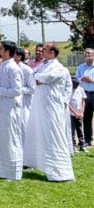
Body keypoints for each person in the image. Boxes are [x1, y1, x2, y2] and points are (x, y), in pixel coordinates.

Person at [23, 43, 74, 181]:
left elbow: (43, 78)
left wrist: (38, 77)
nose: (42, 52)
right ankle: (45, 166)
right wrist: (38, 77)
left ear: (52, 52)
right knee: (41, 133)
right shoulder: (44, 65)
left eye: (45, 50)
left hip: (52, 106)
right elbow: (33, 76)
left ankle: (60, 171)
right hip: (42, 106)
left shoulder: (59, 68)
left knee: (54, 135)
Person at [0, 40, 23, 180]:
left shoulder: (13, 68)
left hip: (10, 107)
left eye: (2, 49)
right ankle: (2, 170)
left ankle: (12, 171)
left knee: (11, 138)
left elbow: (17, 90)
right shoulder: (3, 66)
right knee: (3, 138)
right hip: (2, 107)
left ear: (8, 51)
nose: (0, 51)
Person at [76, 47, 94, 151]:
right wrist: (81, 79)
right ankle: (87, 140)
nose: (86, 55)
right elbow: (75, 79)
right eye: (85, 53)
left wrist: (91, 80)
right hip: (84, 95)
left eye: (89, 53)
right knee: (86, 118)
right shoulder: (80, 67)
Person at [70, 77, 86, 152]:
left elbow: (83, 101)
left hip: (79, 114)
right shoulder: (68, 90)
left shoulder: (81, 89)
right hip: (71, 114)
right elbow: (67, 104)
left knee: (80, 129)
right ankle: (73, 146)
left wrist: (82, 112)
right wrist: (75, 113)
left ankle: (82, 145)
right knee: (72, 130)